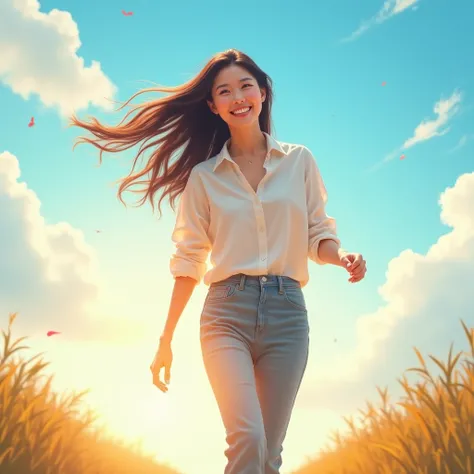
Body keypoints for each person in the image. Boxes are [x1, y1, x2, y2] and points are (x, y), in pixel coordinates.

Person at [69, 48, 367, 474]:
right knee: (247, 437)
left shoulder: (299, 160)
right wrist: (165, 339)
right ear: (213, 106)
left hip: (287, 314)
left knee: (268, 454)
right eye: (224, 91)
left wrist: (342, 258)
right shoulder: (204, 178)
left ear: (262, 93)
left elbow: (318, 234)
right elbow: (189, 259)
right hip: (226, 312)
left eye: (246, 86)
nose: (238, 96)